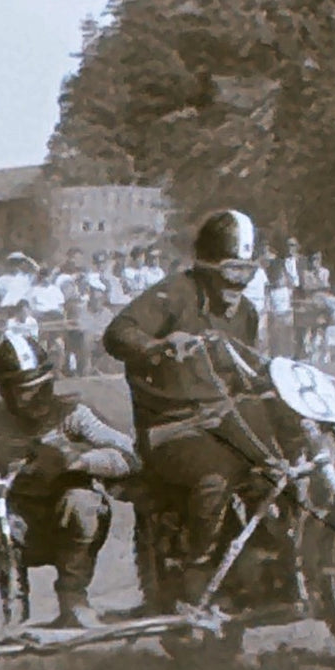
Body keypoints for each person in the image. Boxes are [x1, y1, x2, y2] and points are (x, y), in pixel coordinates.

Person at [102, 208, 268, 606]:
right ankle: (198, 568)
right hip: (169, 428)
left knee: (287, 461)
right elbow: (117, 334)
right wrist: (157, 346)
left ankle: (277, 553)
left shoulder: (245, 313)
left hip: (223, 423)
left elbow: (247, 369)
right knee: (216, 474)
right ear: (209, 265)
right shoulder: (174, 294)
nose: (238, 282)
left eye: (247, 272)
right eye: (232, 270)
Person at [0, 336, 137, 629]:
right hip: (19, 516)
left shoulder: (75, 415)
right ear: (6, 392)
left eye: (45, 386)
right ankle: (12, 607)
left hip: (67, 513)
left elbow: (129, 454)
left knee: (84, 505)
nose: (40, 397)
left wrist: (79, 461)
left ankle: (74, 600)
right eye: (27, 392)